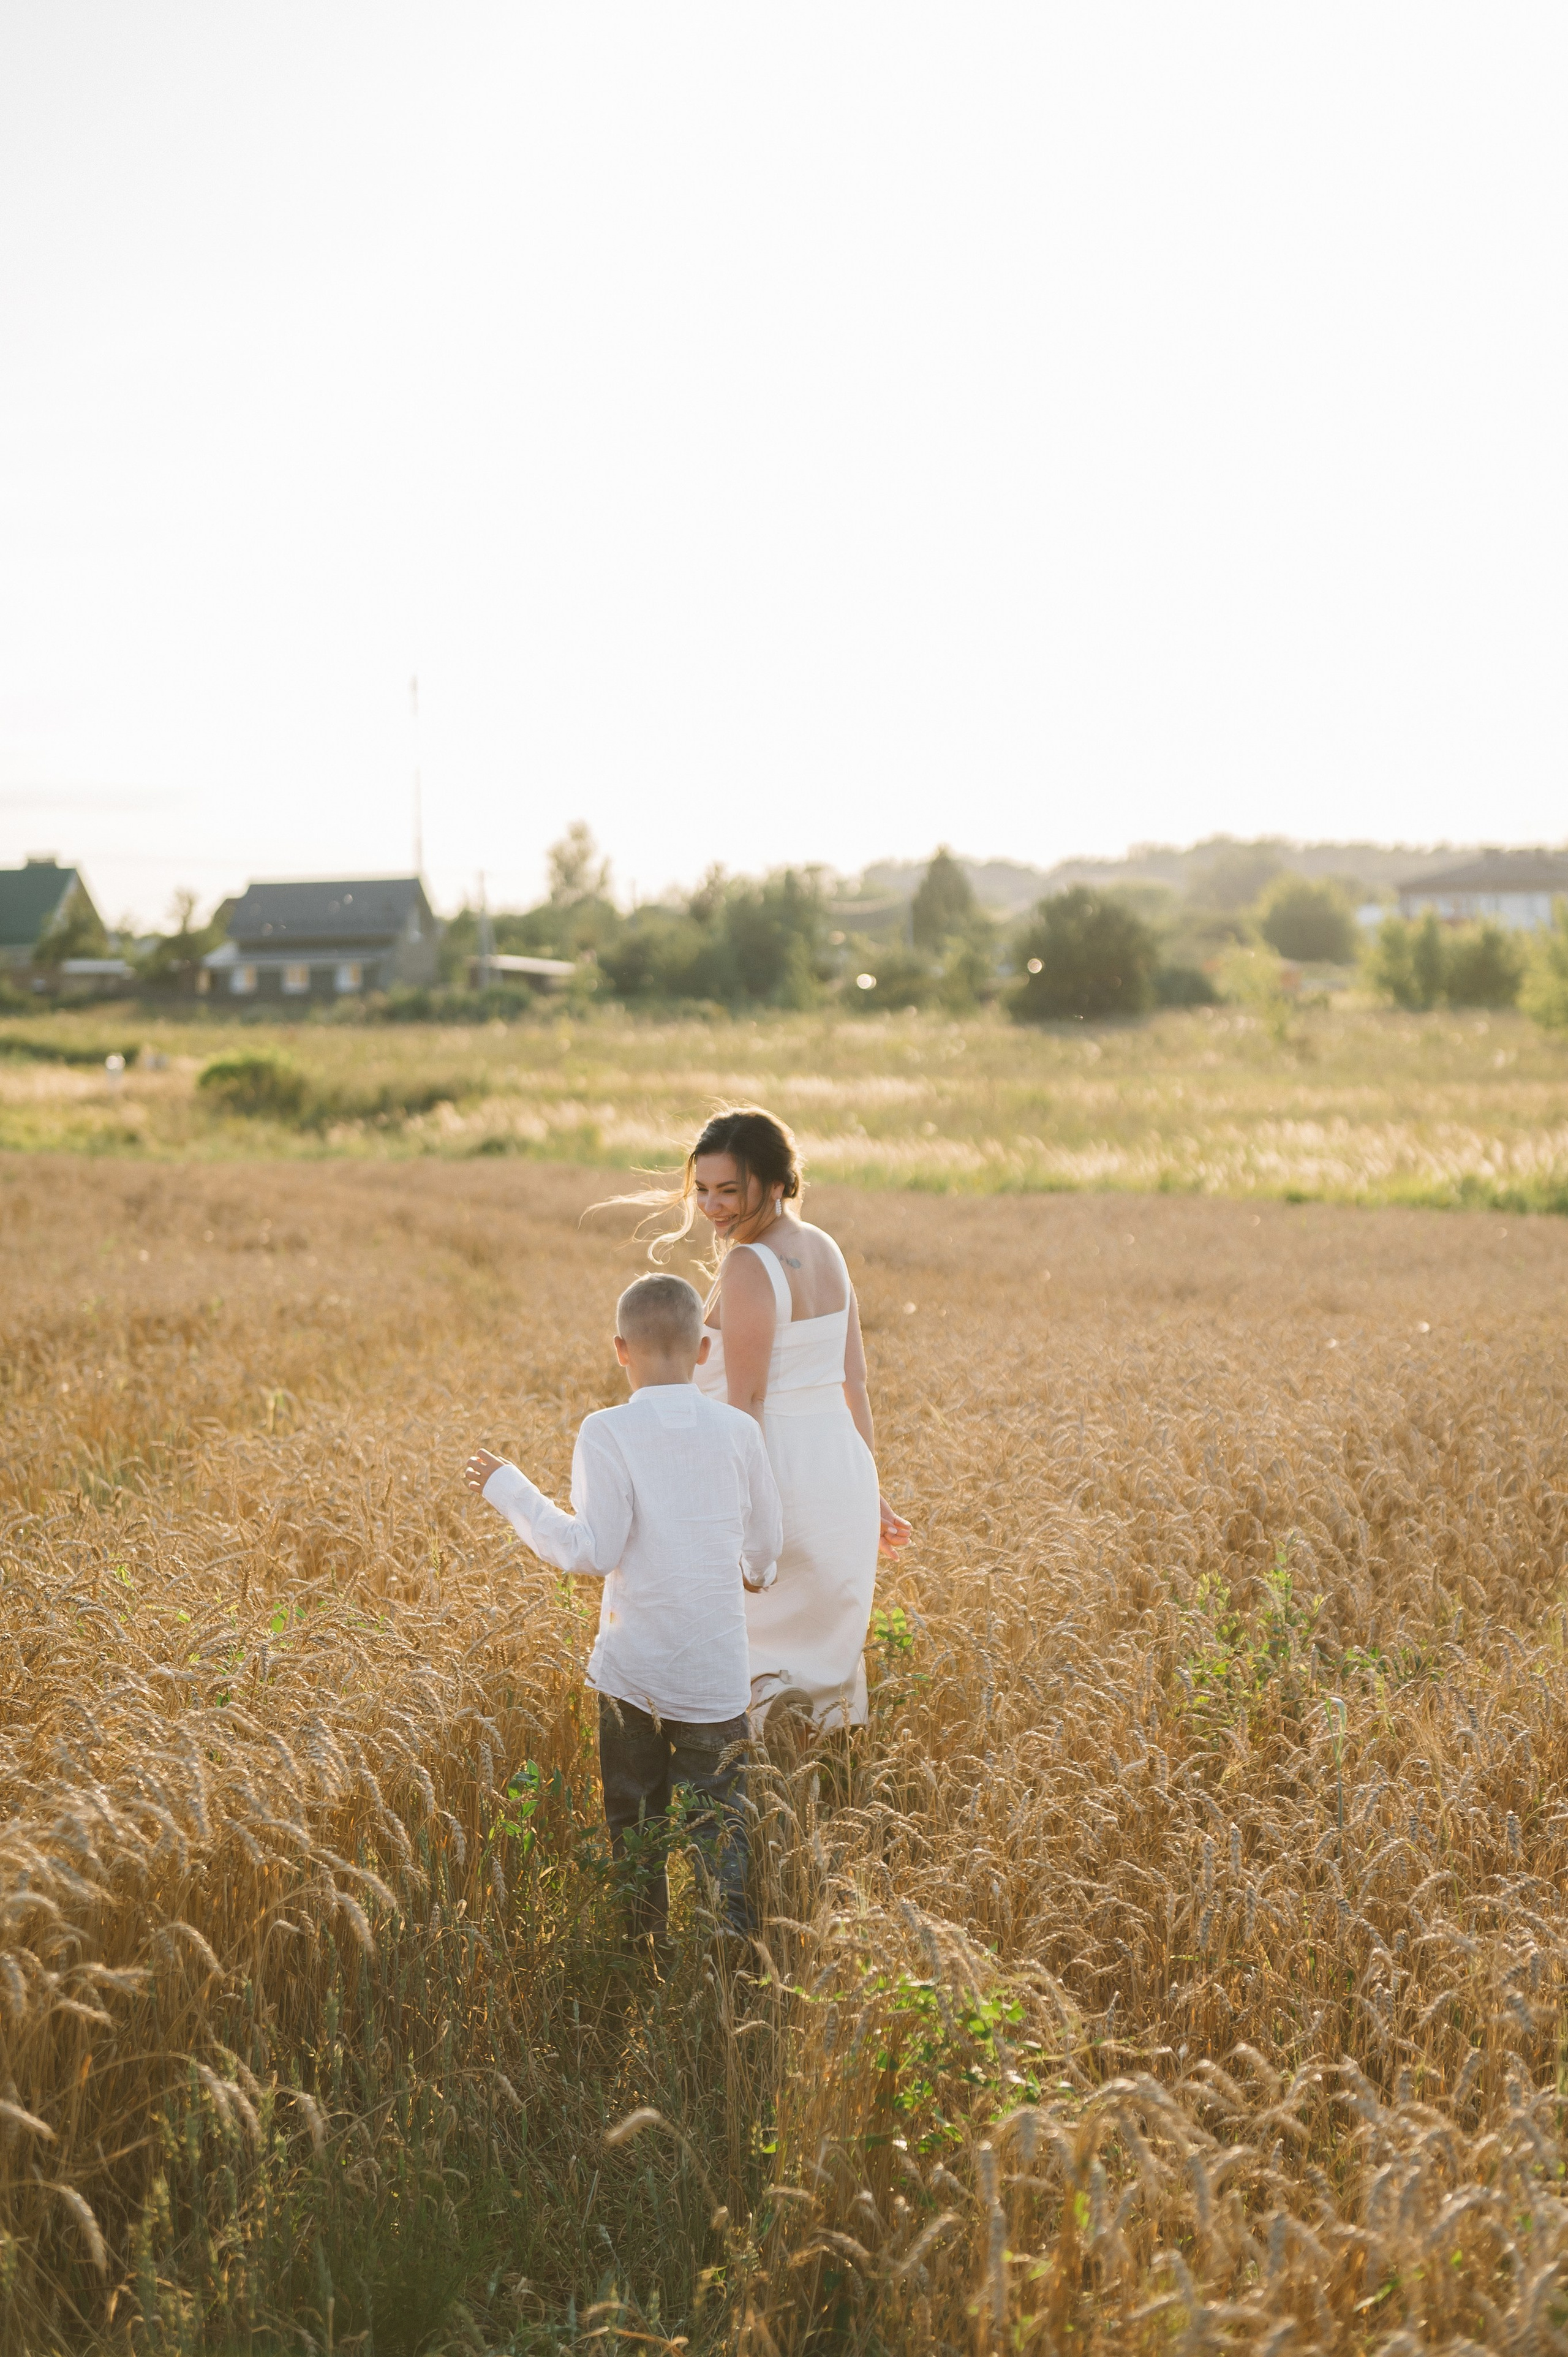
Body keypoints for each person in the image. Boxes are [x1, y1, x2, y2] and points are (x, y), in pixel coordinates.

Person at [464, 1271, 782, 1941]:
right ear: (704, 1349)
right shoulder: (738, 1430)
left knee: (634, 1821)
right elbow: (765, 1542)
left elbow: (593, 1550)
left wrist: (511, 1490)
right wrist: (756, 1572)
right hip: (715, 1673)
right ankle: (728, 1946)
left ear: (619, 1349)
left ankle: (641, 1943)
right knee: (721, 1822)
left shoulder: (607, 1430)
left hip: (632, 1673)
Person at [639, 1105, 910, 1729]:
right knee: (820, 1663)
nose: (711, 1206)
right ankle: (823, 1779)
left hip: (776, 1475)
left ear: (778, 1183)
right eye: (702, 1190)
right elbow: (854, 1382)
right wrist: (869, 1488)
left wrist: (741, 1508)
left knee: (750, 1652)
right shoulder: (826, 1248)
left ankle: (751, 1779)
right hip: (838, 1475)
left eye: (729, 1190)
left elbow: (749, 1403)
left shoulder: (748, 1264)